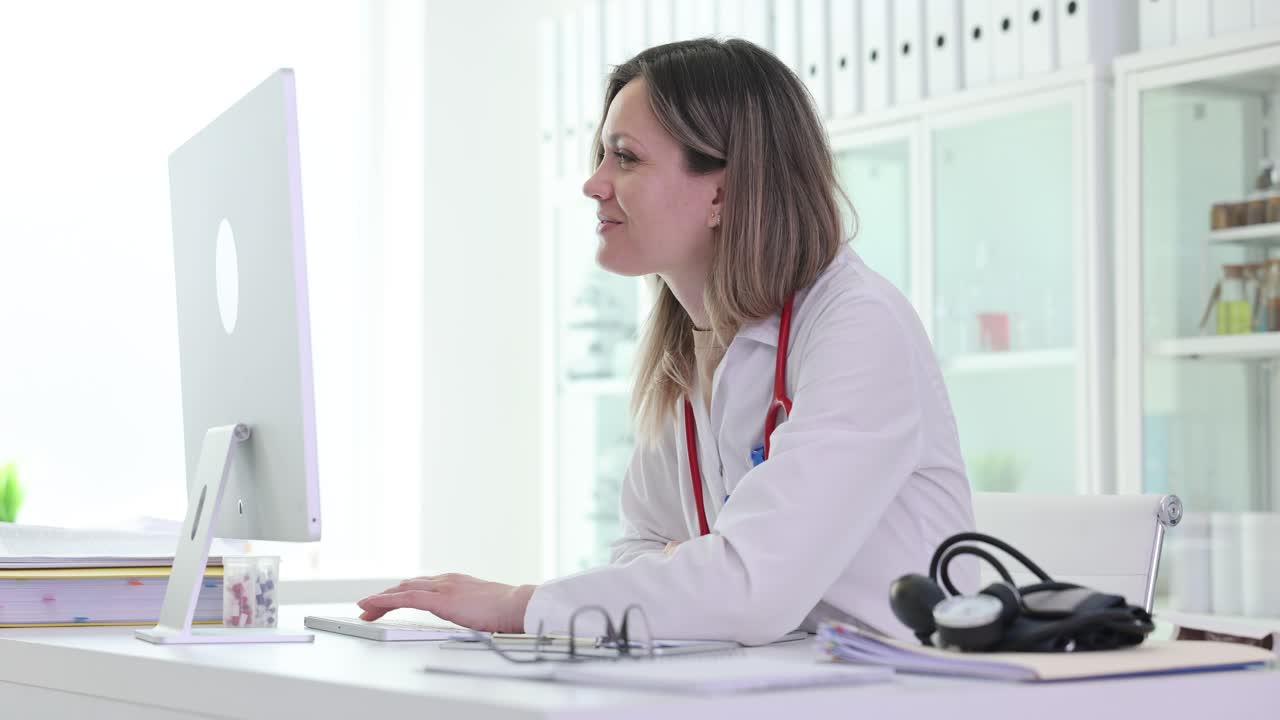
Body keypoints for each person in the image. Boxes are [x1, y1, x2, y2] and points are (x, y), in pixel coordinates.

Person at [357, 38, 975, 645]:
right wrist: (711, 571)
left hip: (899, 691)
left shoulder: (858, 328)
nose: (593, 184)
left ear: (722, 193)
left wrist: (522, 606)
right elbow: (640, 550)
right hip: (768, 680)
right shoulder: (691, 347)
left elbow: (750, 590)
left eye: (624, 157)